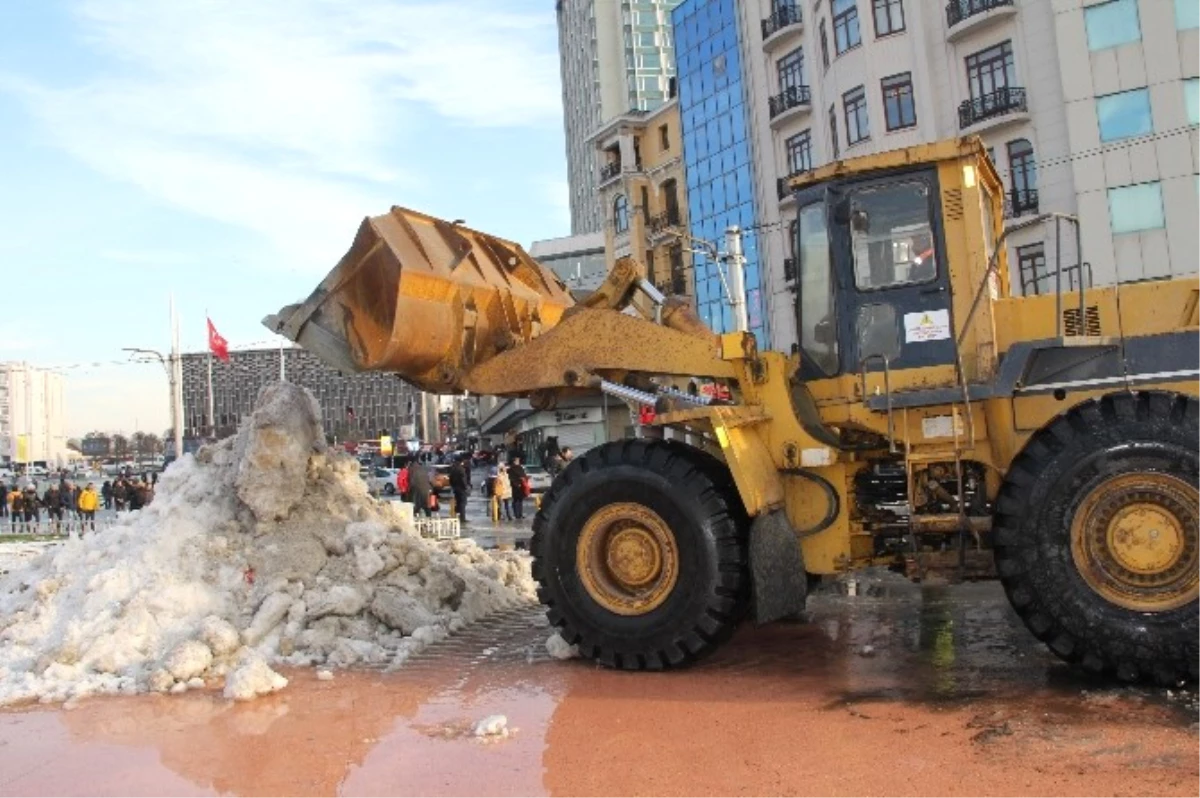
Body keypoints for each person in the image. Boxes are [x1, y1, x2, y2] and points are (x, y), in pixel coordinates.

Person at [449, 456, 469, 526]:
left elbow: (450, 479)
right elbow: (463, 479)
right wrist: (465, 487)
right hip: (461, 488)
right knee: (463, 503)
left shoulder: (453, 468)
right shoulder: (461, 469)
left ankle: (456, 515)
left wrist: (453, 486)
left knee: (458, 502)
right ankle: (462, 518)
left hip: (455, 488)